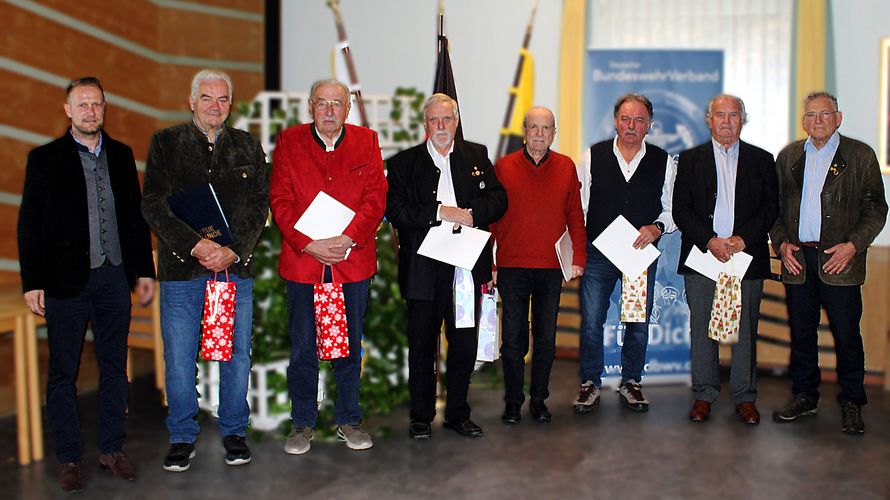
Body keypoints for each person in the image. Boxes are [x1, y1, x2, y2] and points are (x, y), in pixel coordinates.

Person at [17, 77, 156, 491]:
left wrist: (143, 272)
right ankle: (69, 457)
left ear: (104, 108)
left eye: (96, 104)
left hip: (114, 279)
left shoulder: (122, 155)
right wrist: (32, 280)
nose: (90, 111)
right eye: (82, 105)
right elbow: (29, 224)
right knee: (64, 371)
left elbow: (133, 220)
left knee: (115, 368)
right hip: (64, 282)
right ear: (68, 110)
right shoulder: (44, 159)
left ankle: (112, 449)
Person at [142, 69, 270, 471]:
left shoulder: (249, 146)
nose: (215, 106)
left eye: (223, 100)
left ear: (230, 104)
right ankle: (182, 436)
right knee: (180, 359)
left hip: (234, 271)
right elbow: (153, 204)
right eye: (207, 98)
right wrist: (195, 245)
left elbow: (258, 206)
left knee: (236, 355)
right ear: (192, 101)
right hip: (182, 272)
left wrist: (233, 251)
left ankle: (234, 431)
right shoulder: (166, 144)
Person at [270, 79, 386, 454]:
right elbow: (280, 199)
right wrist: (309, 243)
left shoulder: (367, 141)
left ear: (348, 108)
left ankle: (349, 420)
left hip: (351, 263)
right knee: (304, 348)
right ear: (310, 106)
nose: (330, 111)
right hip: (304, 264)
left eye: (338, 104)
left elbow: (375, 198)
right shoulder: (289, 141)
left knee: (350, 347)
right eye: (323, 103)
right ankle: (302, 422)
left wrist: (349, 238)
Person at [386, 93, 507, 439]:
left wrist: (472, 214)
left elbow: (499, 199)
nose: (441, 126)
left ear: (456, 122)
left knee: (464, 342)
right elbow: (394, 210)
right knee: (422, 343)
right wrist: (440, 211)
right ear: (425, 124)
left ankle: (458, 413)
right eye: (434, 120)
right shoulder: (403, 164)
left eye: (447, 120)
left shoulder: (477, 156)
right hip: (423, 268)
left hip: (465, 268)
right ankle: (421, 416)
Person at [769, 91, 887, 435]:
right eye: (810, 115)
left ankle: (853, 402)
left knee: (847, 335)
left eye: (824, 114)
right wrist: (781, 244)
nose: (817, 121)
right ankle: (805, 396)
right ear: (803, 121)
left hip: (840, 260)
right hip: (798, 261)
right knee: (802, 334)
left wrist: (853, 245)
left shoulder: (860, 155)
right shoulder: (789, 155)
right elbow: (772, 209)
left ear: (838, 118)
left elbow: (876, 209)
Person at [673, 94, 778, 425]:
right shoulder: (690, 159)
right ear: (709, 120)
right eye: (721, 115)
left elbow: (770, 208)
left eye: (734, 115)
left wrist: (741, 239)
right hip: (704, 257)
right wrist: (710, 241)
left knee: (745, 330)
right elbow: (681, 209)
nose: (727, 121)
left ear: (742, 120)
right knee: (703, 328)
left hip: (746, 257)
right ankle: (704, 394)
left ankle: (745, 397)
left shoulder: (762, 160)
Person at [574, 93, 676, 413]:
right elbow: (580, 209)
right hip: (599, 253)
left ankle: (632, 381)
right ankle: (590, 382)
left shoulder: (664, 161)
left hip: (638, 254)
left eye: (639, 120)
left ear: (649, 125)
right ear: (615, 121)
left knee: (637, 321)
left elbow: (672, 211)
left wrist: (658, 228)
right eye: (626, 119)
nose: (632, 126)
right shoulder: (591, 157)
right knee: (591, 320)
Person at [490, 107, 586, 424]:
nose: (540, 134)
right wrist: (487, 262)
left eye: (546, 128)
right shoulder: (503, 167)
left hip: (550, 268)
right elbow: (490, 218)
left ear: (554, 132)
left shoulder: (566, 167)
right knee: (513, 340)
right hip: (511, 266)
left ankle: (539, 399)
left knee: (546, 338)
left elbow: (575, 216)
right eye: (534, 127)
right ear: (524, 130)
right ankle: (514, 401)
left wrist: (579, 259)